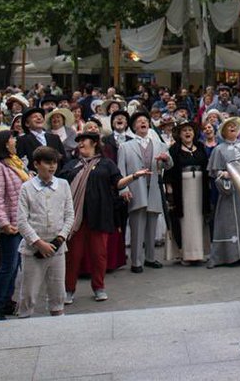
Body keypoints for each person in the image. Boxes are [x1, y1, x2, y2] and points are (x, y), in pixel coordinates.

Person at [59, 131, 147, 303]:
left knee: (99, 255)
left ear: (94, 143)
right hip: (76, 217)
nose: (80, 144)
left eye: (83, 141)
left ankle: (99, 287)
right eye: (78, 142)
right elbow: (61, 184)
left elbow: (118, 183)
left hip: (100, 216)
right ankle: (68, 289)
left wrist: (134, 176)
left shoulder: (106, 164)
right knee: (73, 256)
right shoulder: (71, 165)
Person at [17, 145, 74, 317]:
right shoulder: (27, 188)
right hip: (33, 249)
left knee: (57, 292)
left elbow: (69, 214)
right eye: (47, 162)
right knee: (29, 293)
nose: (52, 166)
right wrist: (38, 243)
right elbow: (21, 221)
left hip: (57, 248)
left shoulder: (63, 185)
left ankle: (58, 322)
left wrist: (59, 239)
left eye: (54, 162)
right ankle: (25, 321)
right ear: (36, 164)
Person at [117, 110, 172, 273]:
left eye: (145, 121)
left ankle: (150, 257)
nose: (143, 123)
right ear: (134, 127)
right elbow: (121, 171)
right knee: (137, 226)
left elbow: (169, 165)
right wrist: (124, 189)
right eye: (139, 121)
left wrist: (166, 159)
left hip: (154, 188)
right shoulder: (125, 147)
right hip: (136, 189)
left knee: (152, 226)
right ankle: (136, 261)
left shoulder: (160, 145)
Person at [0, 129, 28, 321]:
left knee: (14, 265)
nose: (15, 141)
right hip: (10, 224)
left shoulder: (13, 164)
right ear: (3, 144)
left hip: (19, 222)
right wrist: (3, 223)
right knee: (8, 266)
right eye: (11, 139)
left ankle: (6, 302)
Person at [208, 117, 240, 268]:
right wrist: (223, 174)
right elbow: (215, 171)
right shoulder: (219, 149)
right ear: (223, 131)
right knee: (230, 221)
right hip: (231, 191)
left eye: (234, 125)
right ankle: (230, 254)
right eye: (228, 126)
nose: (232, 127)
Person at [165, 121, 209, 265]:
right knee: (185, 220)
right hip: (182, 189)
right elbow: (169, 170)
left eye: (190, 130)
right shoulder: (174, 150)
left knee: (199, 218)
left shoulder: (201, 147)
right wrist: (169, 188)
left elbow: (207, 167)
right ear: (179, 134)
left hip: (199, 188)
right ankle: (186, 254)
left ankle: (199, 252)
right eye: (184, 131)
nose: (188, 133)